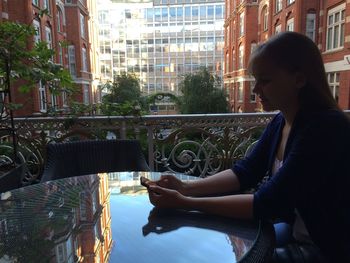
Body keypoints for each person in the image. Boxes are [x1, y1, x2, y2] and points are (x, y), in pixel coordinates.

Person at [145, 32, 350, 262]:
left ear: (299, 79)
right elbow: (246, 171)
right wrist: (185, 187)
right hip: (297, 232)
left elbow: (266, 204)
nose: (255, 90)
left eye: (265, 80)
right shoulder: (282, 121)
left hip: (327, 247)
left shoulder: (325, 129)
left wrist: (185, 203)